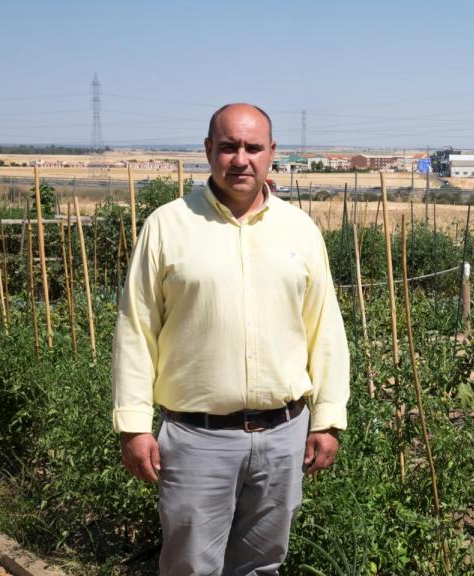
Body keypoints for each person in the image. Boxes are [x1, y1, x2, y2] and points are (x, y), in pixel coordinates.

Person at [113, 103, 350, 575]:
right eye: (228, 147)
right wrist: (134, 424)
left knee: (262, 566)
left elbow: (324, 328)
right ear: (208, 150)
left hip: (284, 436)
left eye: (253, 147)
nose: (240, 159)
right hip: (197, 438)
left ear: (271, 153)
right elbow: (136, 328)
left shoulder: (299, 230)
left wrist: (327, 418)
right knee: (189, 568)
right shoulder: (167, 225)